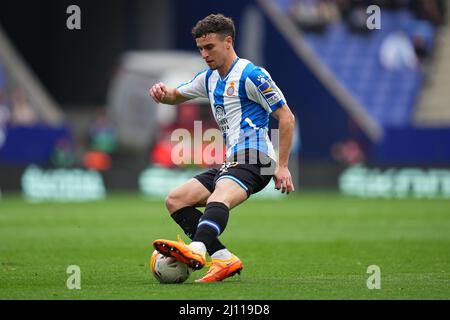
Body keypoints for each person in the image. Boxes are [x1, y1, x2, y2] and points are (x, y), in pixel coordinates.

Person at [148, 14, 296, 283]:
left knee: (219, 198)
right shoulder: (209, 79)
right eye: (200, 49)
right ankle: (224, 259)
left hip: (257, 158)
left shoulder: (252, 75)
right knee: (176, 200)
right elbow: (175, 95)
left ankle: (197, 250)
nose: (204, 54)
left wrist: (283, 166)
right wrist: (161, 93)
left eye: (209, 47)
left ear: (228, 42)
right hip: (232, 160)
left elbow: (286, 117)